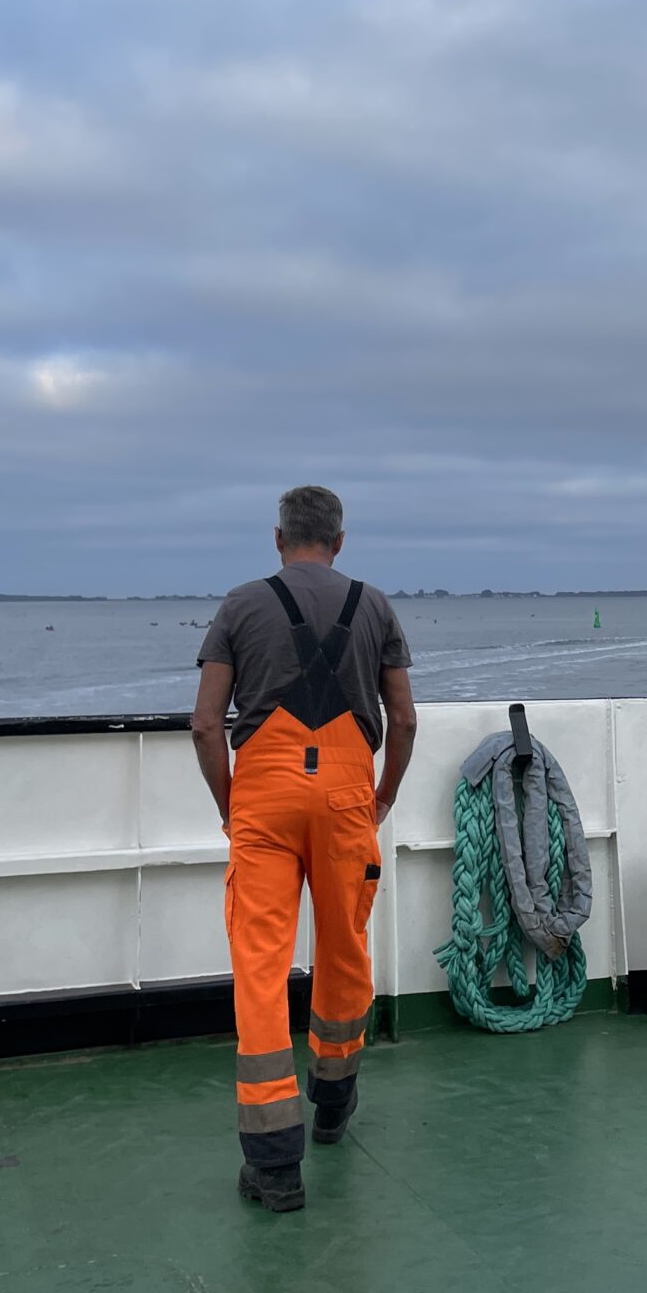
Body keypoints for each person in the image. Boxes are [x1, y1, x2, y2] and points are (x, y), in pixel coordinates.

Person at [192, 485, 417, 1212]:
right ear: (340, 541)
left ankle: (273, 1161)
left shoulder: (239, 604)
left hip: (263, 797)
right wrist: (381, 799)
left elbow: (204, 725)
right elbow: (404, 719)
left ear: (279, 538)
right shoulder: (374, 605)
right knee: (346, 945)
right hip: (349, 792)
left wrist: (233, 807)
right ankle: (333, 1102)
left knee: (260, 962)